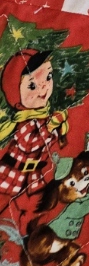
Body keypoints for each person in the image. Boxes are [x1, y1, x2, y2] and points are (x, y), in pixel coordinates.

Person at [0, 50, 69, 236]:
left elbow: (49, 144)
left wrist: (57, 129)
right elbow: (28, 144)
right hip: (12, 173)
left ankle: (29, 236)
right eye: (32, 85)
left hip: (34, 175)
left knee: (34, 207)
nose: (44, 87)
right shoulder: (25, 121)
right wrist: (50, 127)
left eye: (48, 76)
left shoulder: (43, 116)